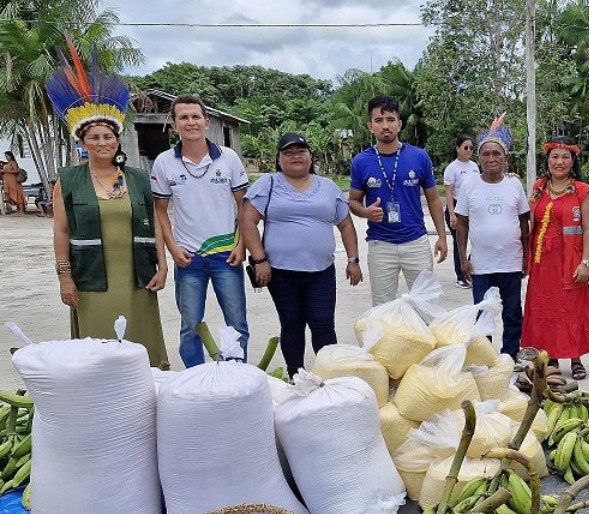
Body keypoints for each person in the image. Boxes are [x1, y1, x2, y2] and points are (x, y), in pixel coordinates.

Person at [46, 40, 168, 367]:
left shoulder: (139, 178)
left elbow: (155, 222)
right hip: (91, 281)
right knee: (98, 352)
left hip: (137, 277)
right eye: (94, 137)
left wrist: (163, 265)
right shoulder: (69, 180)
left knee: (141, 349)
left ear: (117, 140)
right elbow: (60, 231)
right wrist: (65, 278)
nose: (103, 142)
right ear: (83, 143)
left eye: (108, 136)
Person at [239, 133, 363, 377]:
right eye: (288, 152)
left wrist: (353, 260)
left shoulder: (328, 187)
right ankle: (296, 376)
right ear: (278, 158)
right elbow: (247, 221)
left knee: (323, 325)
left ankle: (330, 376)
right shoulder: (268, 184)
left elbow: (346, 225)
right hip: (281, 273)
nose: (295, 156)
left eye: (300, 151)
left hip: (321, 272)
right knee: (292, 325)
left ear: (310, 156)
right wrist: (259, 259)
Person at [151, 95, 249, 368]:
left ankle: (237, 377)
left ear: (207, 123)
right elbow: (160, 210)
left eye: (196, 117)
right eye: (183, 117)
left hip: (226, 255)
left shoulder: (228, 158)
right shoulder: (164, 162)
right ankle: (195, 379)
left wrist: (241, 245)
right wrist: (172, 249)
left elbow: (244, 206)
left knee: (237, 323)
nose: (190, 122)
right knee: (190, 325)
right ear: (174, 125)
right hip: (188, 258)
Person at [348, 96, 447, 306]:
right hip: (380, 244)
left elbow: (433, 199)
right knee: (383, 310)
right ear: (370, 126)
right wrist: (365, 212)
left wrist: (441, 236)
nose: (385, 125)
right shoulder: (361, 162)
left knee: (427, 304)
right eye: (379, 120)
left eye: (391, 119)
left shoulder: (419, 157)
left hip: (416, 242)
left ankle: (425, 339)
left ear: (399, 124)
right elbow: (353, 202)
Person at [521, 136, 589, 380]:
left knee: (572, 308)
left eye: (565, 157)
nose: (559, 161)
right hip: (542, 263)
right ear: (547, 160)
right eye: (554, 156)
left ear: (573, 161)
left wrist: (585, 262)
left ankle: (576, 358)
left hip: (570, 261)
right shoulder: (538, 189)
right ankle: (550, 357)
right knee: (544, 308)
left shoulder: (582, 192)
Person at [455, 116, 529, 358]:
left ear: (505, 158)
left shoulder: (514, 185)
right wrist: (463, 259)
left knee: (512, 311)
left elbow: (524, 222)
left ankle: (510, 355)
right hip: (481, 264)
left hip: (510, 261)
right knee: (482, 312)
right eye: (485, 154)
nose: (491, 158)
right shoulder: (469, 185)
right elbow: (462, 224)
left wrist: (526, 256)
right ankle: (486, 357)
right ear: (479, 158)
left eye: (496, 154)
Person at [443, 135, 479, 289]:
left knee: (477, 240)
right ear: (457, 149)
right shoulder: (452, 168)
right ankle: (461, 275)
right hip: (457, 207)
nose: (469, 150)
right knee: (460, 243)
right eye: (466, 147)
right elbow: (449, 193)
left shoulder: (474, 166)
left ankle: (472, 270)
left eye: (471, 148)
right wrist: (452, 214)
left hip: (473, 207)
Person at [2, 151, 27, 216]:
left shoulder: (13, 162)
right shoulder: (8, 163)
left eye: (7, 156)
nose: (6, 157)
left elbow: (15, 170)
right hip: (8, 182)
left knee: (17, 195)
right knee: (11, 195)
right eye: (6, 156)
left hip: (13, 182)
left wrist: (4, 171)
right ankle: (18, 210)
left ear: (11, 156)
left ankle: (21, 211)